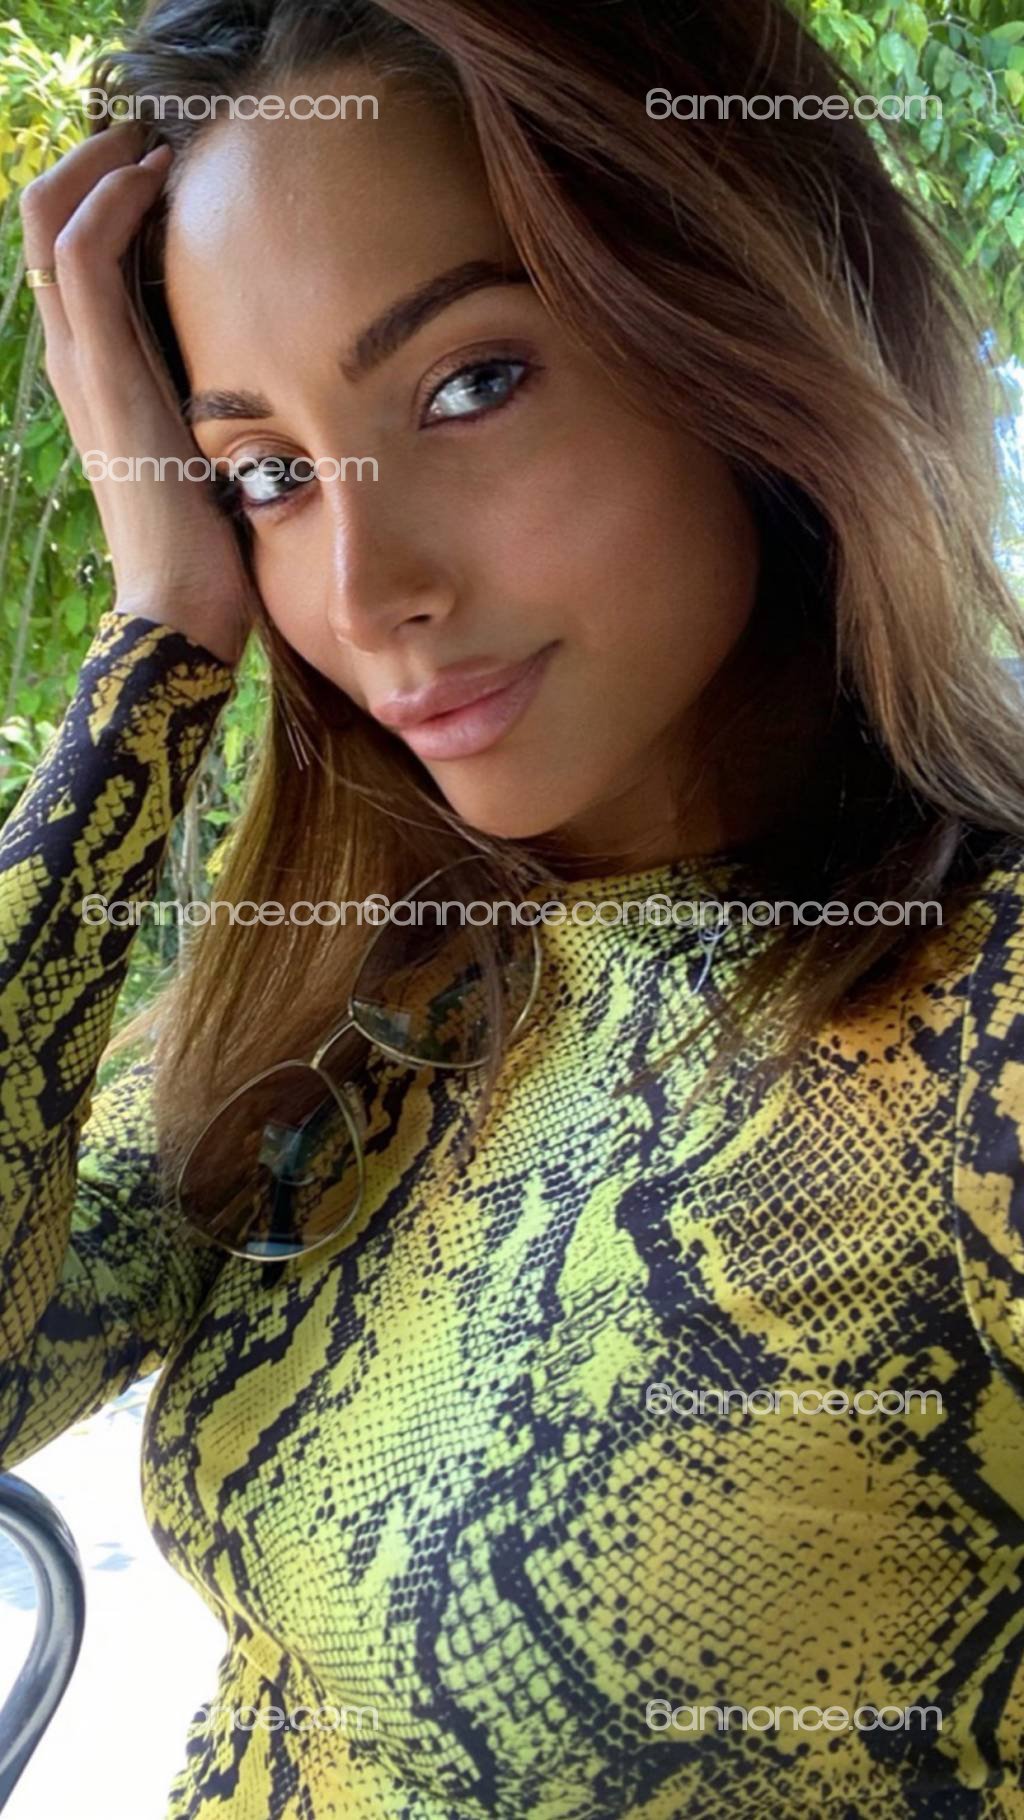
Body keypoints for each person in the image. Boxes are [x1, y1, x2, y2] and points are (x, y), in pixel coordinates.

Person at [3, 0, 1024, 1813]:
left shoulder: (987, 1029)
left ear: (741, 320)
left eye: (469, 384)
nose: (362, 585)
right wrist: (156, 647)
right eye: (265, 475)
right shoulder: (375, 1003)